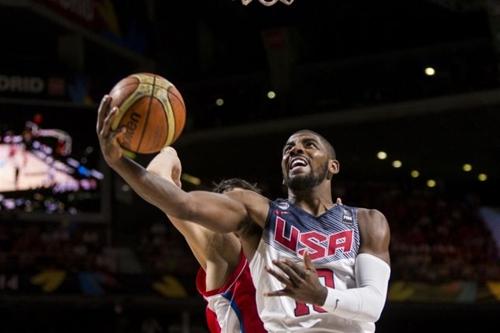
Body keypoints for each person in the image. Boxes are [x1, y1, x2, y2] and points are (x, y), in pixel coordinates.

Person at [97, 95, 391, 332]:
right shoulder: (253, 221)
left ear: (332, 166)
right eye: (288, 149)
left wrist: (320, 296)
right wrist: (120, 162)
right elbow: (183, 205)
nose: (295, 150)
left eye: (308, 145)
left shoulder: (366, 221)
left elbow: (374, 305)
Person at [147, 150, 266, 333]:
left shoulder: (284, 253)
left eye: (242, 206)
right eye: (227, 207)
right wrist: (169, 151)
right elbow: (155, 176)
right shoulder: (227, 250)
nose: (234, 212)